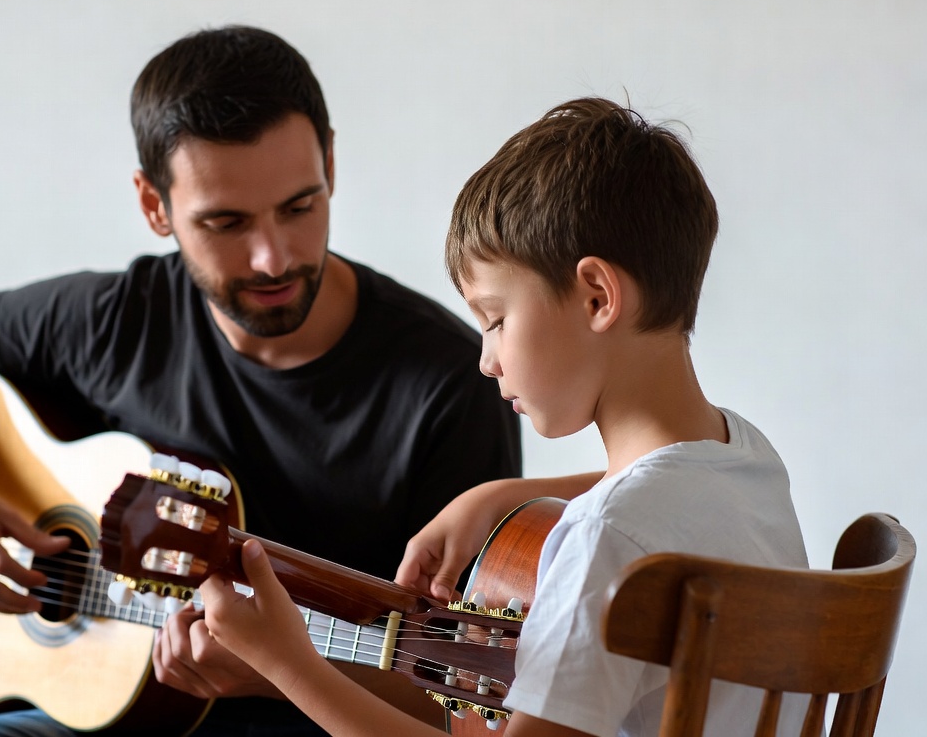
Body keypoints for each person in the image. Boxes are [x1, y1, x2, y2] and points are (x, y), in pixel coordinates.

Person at [0, 26, 524, 737]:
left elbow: (474, 694)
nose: (273, 257)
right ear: (153, 205)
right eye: (226, 222)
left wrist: (281, 672)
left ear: (331, 165)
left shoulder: (454, 381)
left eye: (299, 207)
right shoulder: (113, 320)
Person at [198, 96, 813, 737]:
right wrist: (501, 495)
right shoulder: (744, 456)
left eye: (494, 320)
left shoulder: (606, 542)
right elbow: (660, 494)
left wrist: (287, 664)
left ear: (597, 297)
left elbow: (623, 518)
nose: (486, 360)